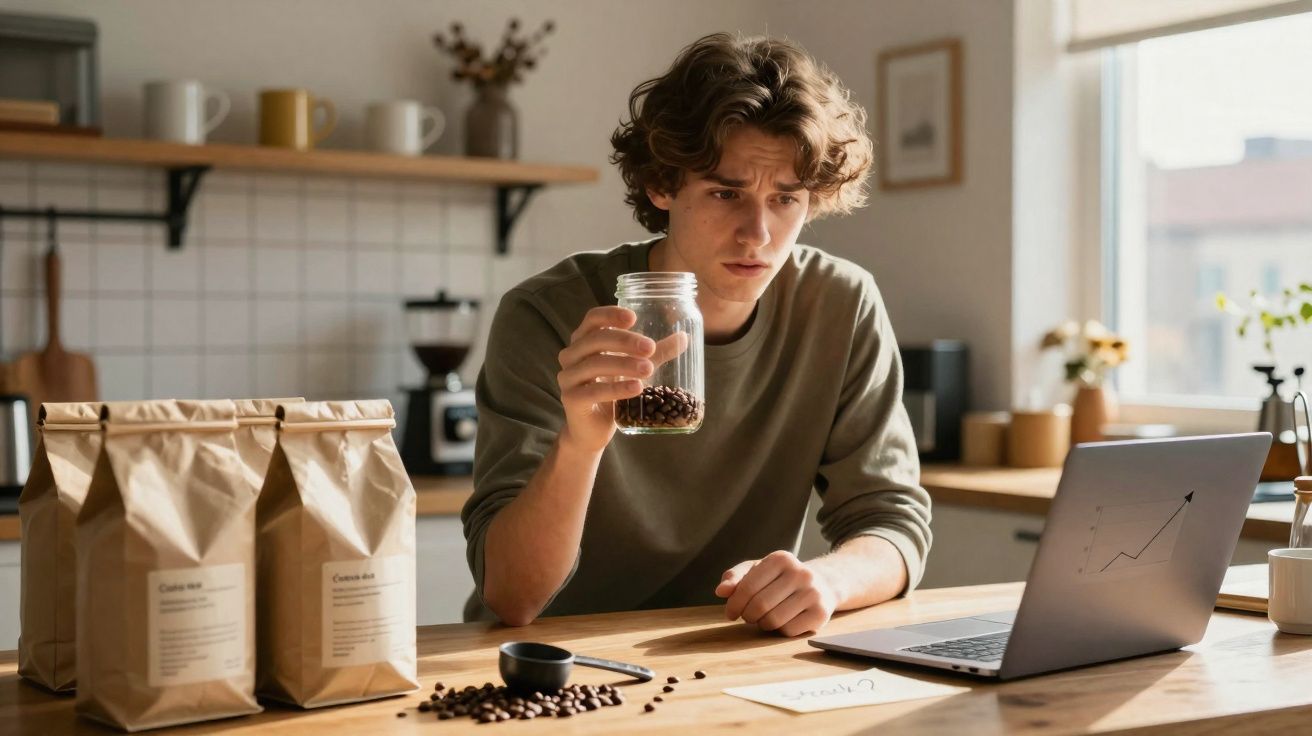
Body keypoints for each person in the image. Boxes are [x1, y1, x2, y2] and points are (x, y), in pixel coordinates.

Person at [462, 32, 931, 634]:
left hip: (729, 647)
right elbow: (511, 597)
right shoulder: (549, 315)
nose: (757, 233)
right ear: (662, 186)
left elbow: (891, 522)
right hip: (553, 657)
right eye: (725, 193)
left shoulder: (840, 305)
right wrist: (579, 445)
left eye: (785, 199)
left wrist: (829, 582)